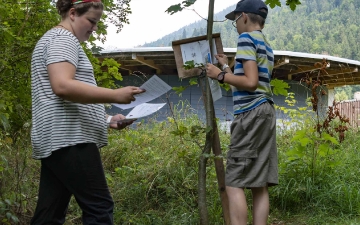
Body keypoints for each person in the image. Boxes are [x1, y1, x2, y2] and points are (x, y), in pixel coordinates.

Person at [30, 0, 145, 224]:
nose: (94, 28)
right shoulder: (63, 39)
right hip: (70, 140)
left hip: (56, 139)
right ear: (72, 13)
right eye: (91, 21)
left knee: (49, 215)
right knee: (99, 208)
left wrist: (108, 119)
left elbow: (61, 102)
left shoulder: (54, 39)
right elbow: (62, 86)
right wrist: (115, 94)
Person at [206, 0, 278, 224]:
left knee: (234, 182)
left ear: (244, 16)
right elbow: (247, 82)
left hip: (250, 115)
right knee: (259, 184)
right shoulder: (266, 44)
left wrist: (219, 75)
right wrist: (227, 68)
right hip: (265, 112)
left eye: (235, 20)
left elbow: (250, 82)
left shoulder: (246, 38)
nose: (235, 25)